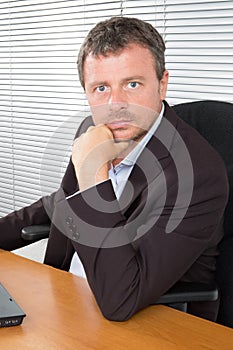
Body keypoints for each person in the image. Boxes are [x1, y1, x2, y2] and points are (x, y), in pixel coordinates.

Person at [0, 17, 229, 322]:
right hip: (67, 299)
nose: (115, 104)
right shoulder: (96, 130)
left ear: (162, 84)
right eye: (101, 88)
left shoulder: (198, 175)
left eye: (132, 84)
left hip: (149, 322)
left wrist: (94, 176)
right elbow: (62, 202)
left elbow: (121, 298)